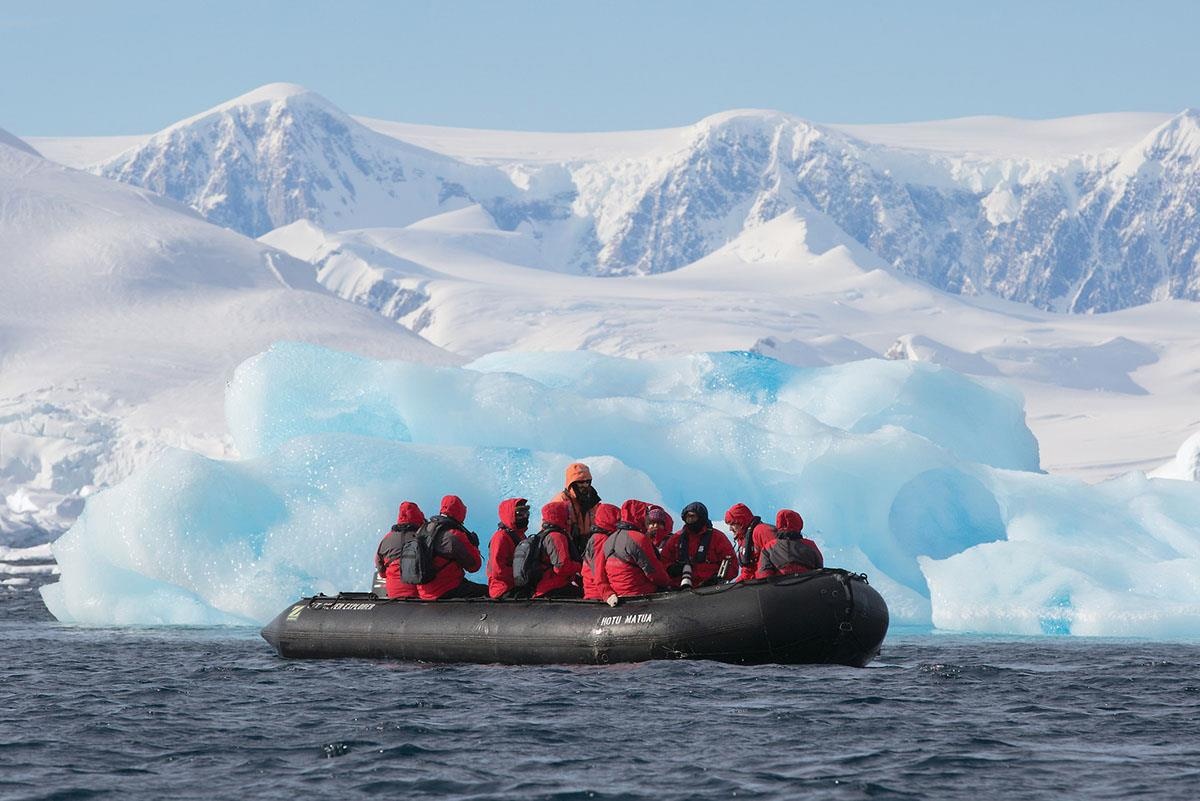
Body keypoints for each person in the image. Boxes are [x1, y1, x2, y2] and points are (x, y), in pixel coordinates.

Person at [417, 494, 488, 600]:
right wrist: (475, 546)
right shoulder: (454, 535)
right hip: (446, 590)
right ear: (460, 512)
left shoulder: (423, 529)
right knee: (487, 592)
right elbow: (474, 566)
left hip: (424, 591)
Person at [602, 499, 672, 597]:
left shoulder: (609, 540)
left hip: (618, 593)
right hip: (640, 591)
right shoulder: (638, 538)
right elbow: (653, 572)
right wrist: (668, 582)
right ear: (639, 515)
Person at [659, 501, 737, 588]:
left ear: (701, 517)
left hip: (710, 590)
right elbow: (662, 562)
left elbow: (732, 565)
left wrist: (716, 579)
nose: (690, 520)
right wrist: (671, 569)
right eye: (687, 517)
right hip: (679, 589)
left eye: (693, 517)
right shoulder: (676, 539)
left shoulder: (717, 538)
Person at [374, 501, 426, 599]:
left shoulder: (386, 539)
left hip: (393, 594)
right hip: (418, 596)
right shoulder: (422, 539)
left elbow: (381, 571)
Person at [532, 501, 584, 598]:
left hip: (544, 586)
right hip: (553, 586)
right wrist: (580, 566)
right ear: (560, 515)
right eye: (566, 513)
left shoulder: (543, 534)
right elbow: (561, 567)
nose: (569, 516)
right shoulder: (556, 536)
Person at [486, 497, 530, 599]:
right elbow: (497, 570)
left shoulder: (521, 536)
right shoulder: (500, 537)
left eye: (527, 513)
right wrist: (522, 576)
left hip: (517, 585)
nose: (525, 517)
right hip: (503, 589)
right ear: (510, 514)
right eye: (520, 513)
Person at [757, 509, 824, 577]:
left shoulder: (769, 547)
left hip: (781, 585)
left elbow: (764, 573)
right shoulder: (810, 545)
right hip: (808, 582)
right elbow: (820, 568)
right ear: (799, 524)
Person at [554, 462, 602, 552]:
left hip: (589, 549)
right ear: (571, 483)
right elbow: (550, 529)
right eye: (580, 482)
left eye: (587, 482)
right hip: (567, 549)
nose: (585, 485)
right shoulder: (561, 501)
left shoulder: (593, 500)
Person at [724, 503, 776, 582]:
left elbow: (779, 555)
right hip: (760, 584)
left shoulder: (762, 531)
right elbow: (748, 571)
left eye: (732, 524)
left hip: (773, 582)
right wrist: (735, 586)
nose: (730, 529)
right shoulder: (744, 540)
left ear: (741, 521)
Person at [581, 502, 621, 604]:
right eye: (618, 518)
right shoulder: (601, 539)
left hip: (596, 592)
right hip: (597, 594)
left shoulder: (599, 537)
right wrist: (607, 594)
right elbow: (598, 570)